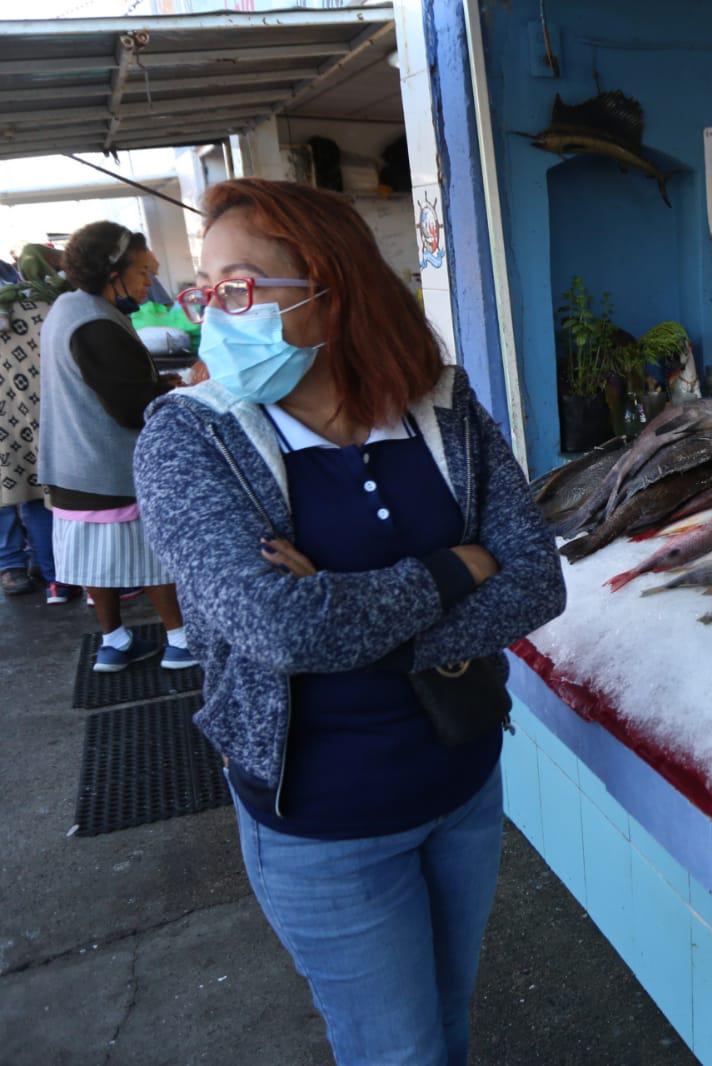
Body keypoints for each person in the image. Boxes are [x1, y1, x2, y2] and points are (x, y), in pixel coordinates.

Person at [133, 178, 565, 1066]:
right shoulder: (187, 440)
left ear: (335, 292)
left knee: (448, 1026)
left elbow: (535, 580)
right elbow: (280, 630)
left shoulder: (440, 410)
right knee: (396, 1055)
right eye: (207, 289)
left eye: (242, 286)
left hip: (462, 785)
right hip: (322, 820)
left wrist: (349, 617)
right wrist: (456, 566)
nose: (218, 312)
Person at [38, 222, 189, 666]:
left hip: (71, 468)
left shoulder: (66, 307)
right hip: (107, 467)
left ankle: (115, 643)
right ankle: (181, 642)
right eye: (144, 273)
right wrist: (179, 391)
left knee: (94, 562)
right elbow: (130, 405)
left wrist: (160, 382)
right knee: (154, 551)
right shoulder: (95, 322)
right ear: (112, 273)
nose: (149, 285)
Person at [0, 274, 70, 601]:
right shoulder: (47, 302)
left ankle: (53, 574)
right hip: (37, 414)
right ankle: (57, 573)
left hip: (19, 416)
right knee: (42, 495)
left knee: (30, 493)